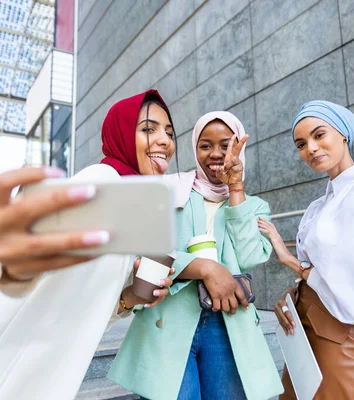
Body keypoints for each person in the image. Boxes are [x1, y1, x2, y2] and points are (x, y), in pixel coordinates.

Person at [0, 90, 177, 400]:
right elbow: (34, 256)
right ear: (119, 134)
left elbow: (76, 308)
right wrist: (15, 261)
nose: (164, 141)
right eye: (148, 129)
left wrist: (129, 299)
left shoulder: (130, 207)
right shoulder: (103, 179)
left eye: (169, 133)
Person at [108, 111, 284, 400]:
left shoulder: (253, 206)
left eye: (225, 145)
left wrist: (235, 187)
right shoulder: (173, 190)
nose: (215, 154)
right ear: (194, 148)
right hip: (169, 316)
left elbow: (249, 256)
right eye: (205, 145)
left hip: (228, 321)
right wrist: (204, 268)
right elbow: (150, 249)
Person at [258, 100, 354, 400]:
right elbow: (324, 272)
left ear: (343, 135)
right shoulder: (320, 206)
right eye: (301, 144)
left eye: (319, 135)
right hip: (303, 329)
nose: (311, 148)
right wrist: (294, 296)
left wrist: (292, 263)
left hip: (344, 337)